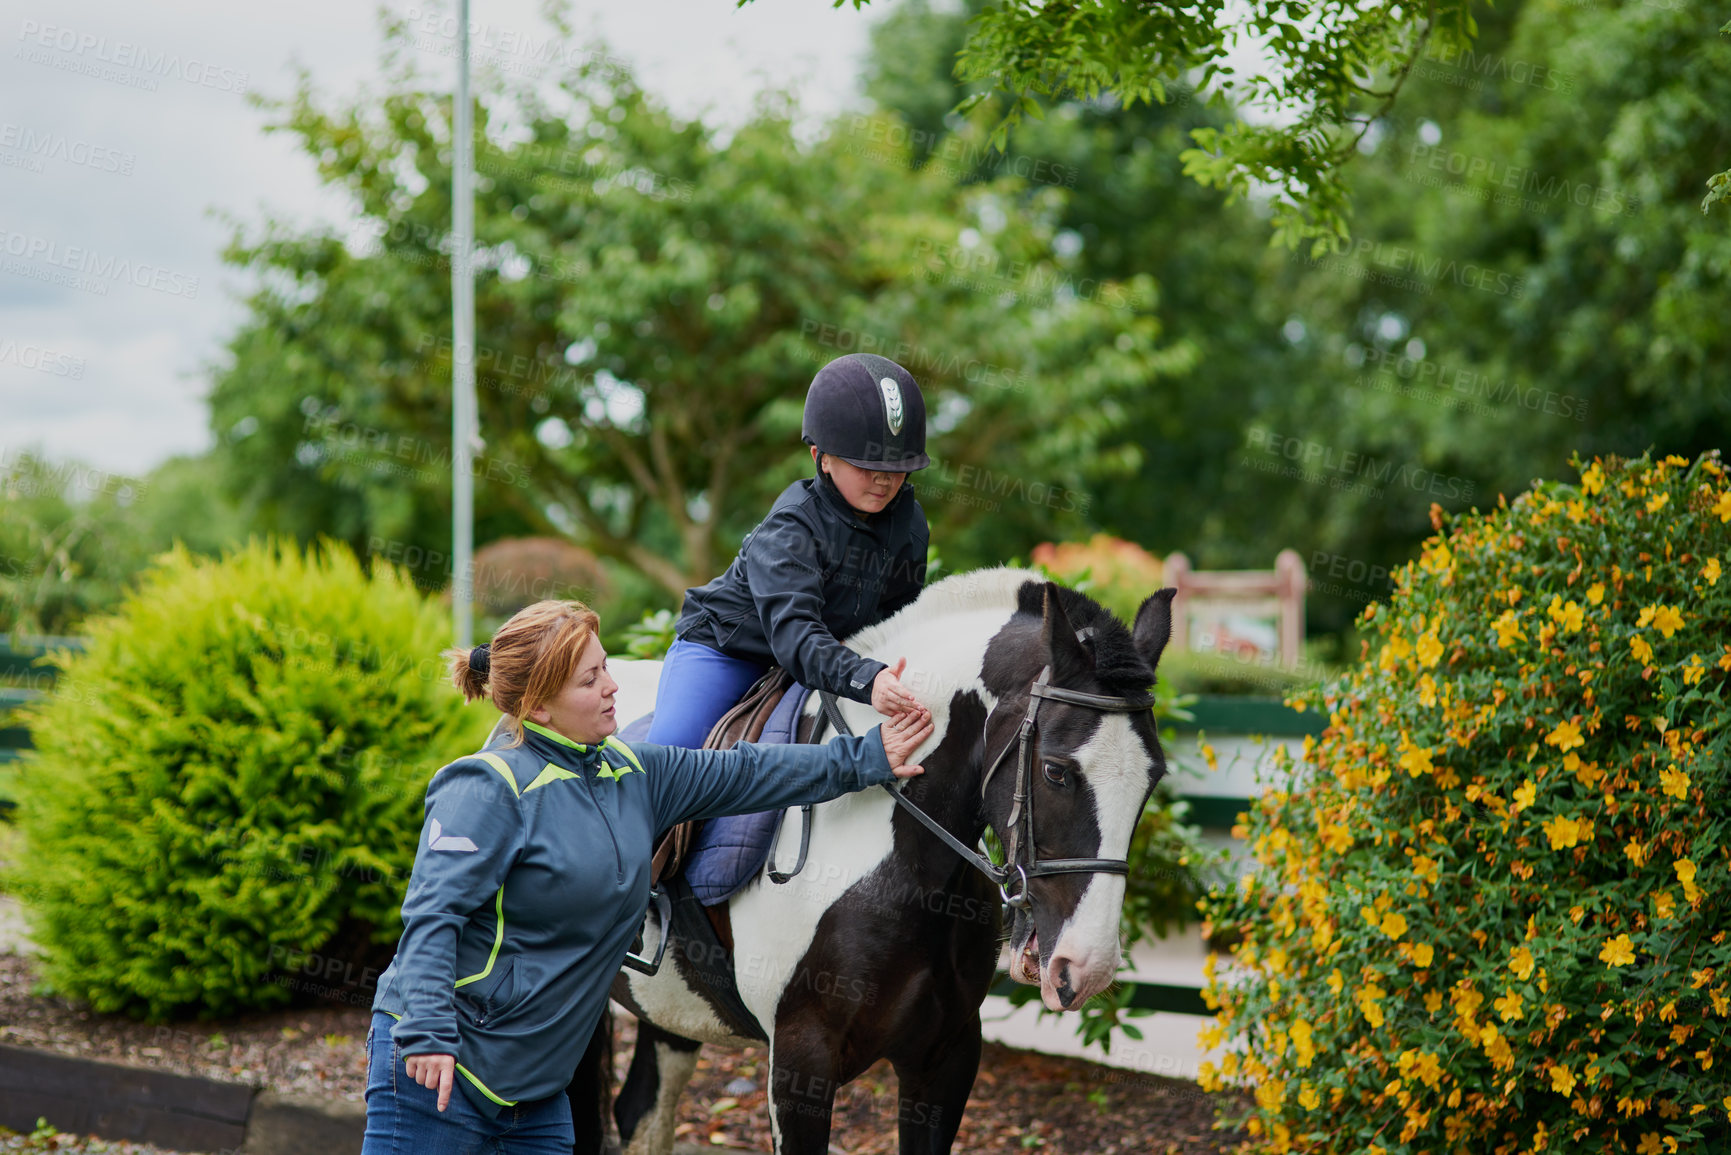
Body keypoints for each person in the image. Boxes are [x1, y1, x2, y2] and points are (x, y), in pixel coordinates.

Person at [361, 599, 933, 1154]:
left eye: (605, 666)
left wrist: (867, 757)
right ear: (538, 708)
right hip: (441, 1068)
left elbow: (749, 771)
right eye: (590, 680)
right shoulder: (488, 788)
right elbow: (434, 916)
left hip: (536, 1094)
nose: (612, 686)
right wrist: (430, 1033)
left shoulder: (635, 773)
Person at [646, 352, 932, 750]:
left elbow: (901, 616)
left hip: (829, 655)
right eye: (866, 465)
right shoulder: (790, 527)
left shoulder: (911, 524)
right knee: (666, 760)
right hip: (731, 651)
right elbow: (795, 635)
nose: (885, 479)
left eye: (898, 466)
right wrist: (867, 678)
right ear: (822, 459)